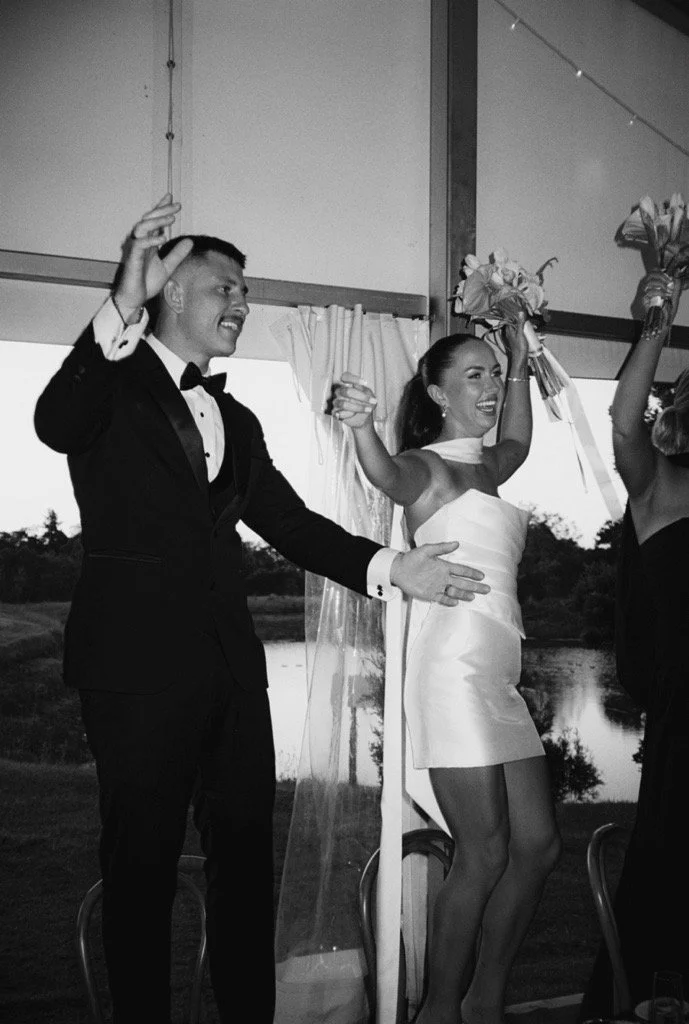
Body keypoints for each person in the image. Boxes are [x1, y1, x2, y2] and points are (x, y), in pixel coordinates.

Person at [33, 194, 492, 1024]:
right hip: (133, 673)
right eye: (224, 288)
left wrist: (392, 566)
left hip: (235, 678)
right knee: (140, 868)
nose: (241, 303)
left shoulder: (238, 419)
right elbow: (52, 423)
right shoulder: (109, 385)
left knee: (245, 867)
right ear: (172, 293)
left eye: (245, 292)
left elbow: (288, 524)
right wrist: (120, 301)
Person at [332, 320, 561, 1024]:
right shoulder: (423, 466)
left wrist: (519, 359)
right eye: (475, 375)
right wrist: (363, 428)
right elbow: (384, 475)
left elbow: (518, 438)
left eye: (492, 375)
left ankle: (484, 998)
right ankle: (438, 1011)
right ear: (437, 392)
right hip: (451, 674)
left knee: (538, 845)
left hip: (497, 678)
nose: (489, 387)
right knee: (485, 852)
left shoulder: (489, 467)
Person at [580, 270, 688, 1016]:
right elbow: (621, 422)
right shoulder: (662, 487)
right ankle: (643, 999)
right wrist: (655, 322)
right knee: (671, 864)